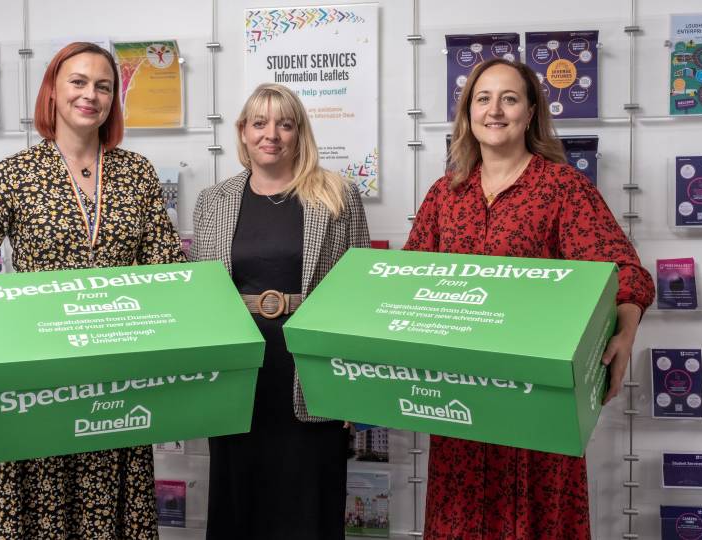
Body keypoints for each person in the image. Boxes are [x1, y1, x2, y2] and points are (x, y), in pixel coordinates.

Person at [0, 42, 183, 539]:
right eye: (78, 82)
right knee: (41, 515)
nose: (90, 95)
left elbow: (169, 270)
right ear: (53, 92)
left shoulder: (137, 174)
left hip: (115, 382)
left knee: (111, 515)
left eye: (103, 86)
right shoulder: (16, 174)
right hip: (37, 383)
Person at [405, 58, 654, 539]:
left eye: (509, 98)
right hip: (459, 401)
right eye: (483, 99)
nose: (494, 110)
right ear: (468, 113)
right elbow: (408, 279)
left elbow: (623, 270)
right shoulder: (444, 195)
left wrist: (626, 329)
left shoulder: (563, 188)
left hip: (536, 400)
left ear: (530, 112)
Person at [189, 82, 370, 539]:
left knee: (308, 503)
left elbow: (358, 293)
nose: (272, 134)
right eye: (260, 123)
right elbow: (202, 297)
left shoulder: (337, 195)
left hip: (309, 375)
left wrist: (352, 386)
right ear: (243, 132)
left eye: (285, 124)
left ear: (299, 133)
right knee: (239, 504)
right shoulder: (214, 201)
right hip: (240, 376)